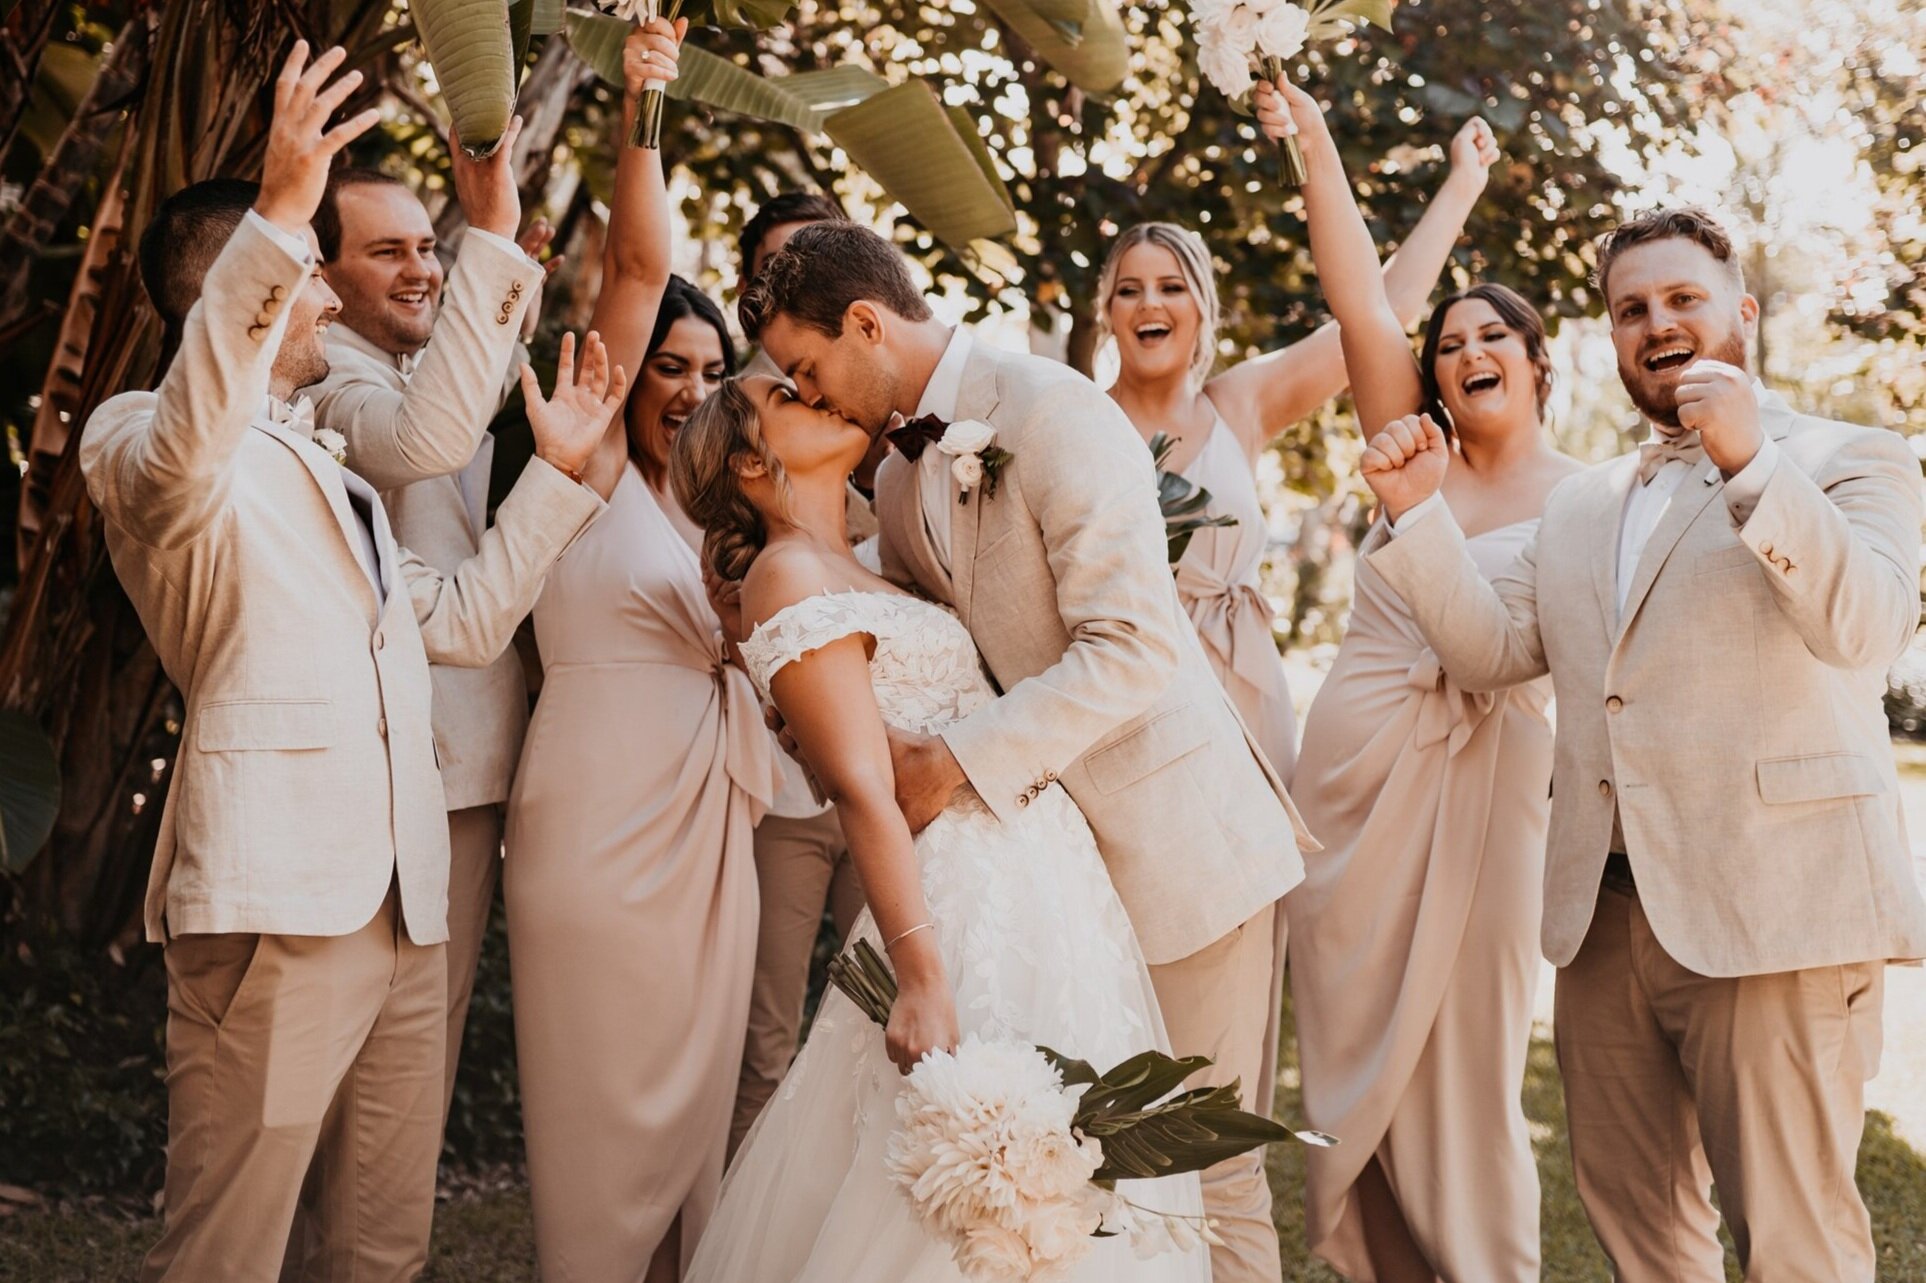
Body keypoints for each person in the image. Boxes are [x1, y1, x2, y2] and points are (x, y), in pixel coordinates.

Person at [78, 43, 620, 1280]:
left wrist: (556, 474)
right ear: (245, 288)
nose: (327, 297)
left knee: (384, 1238)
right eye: (308, 273)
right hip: (278, 894)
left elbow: (463, 623)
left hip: (403, 897)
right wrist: (281, 211)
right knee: (228, 1243)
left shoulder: (331, 468)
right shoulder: (142, 443)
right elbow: (195, 428)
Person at [1355, 205, 1926, 1282]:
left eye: (1682, 299)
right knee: (1642, 1238)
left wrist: (1752, 462)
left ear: (1742, 313)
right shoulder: (1584, 503)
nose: (1657, 323)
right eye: (1631, 309)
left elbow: (1868, 624)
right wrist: (1417, 515)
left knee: (1796, 1244)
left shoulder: (1851, 457)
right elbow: (1492, 652)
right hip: (1605, 923)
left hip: (1777, 914)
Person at [743, 220, 1318, 1283]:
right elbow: (917, 636)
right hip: (1052, 877)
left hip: (1174, 842)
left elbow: (1134, 646)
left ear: (866, 323)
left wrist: (951, 760)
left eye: (809, 368)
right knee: (1094, 1181)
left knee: (1205, 1170)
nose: (809, 394)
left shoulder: (1053, 408)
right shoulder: (900, 475)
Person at [671, 374, 1209, 1283]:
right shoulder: (786, 575)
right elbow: (861, 792)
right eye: (790, 396)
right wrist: (920, 976)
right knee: (969, 1179)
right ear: (751, 463)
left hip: (1046, 877)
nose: (821, 394)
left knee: (1072, 1170)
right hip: (958, 901)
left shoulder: (868, 564)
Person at [1252, 80, 1579, 1281]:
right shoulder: (1415, 443)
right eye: (1448, 343)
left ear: (1537, 362)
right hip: (1353, 774)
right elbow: (1357, 295)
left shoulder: (1588, 496)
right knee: (1348, 1043)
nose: (1468, 351)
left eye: (1494, 336)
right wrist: (1318, 139)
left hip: (1495, 783)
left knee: (1475, 1044)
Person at [501, 21, 780, 1281]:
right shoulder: (594, 461)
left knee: (699, 1114)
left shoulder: (730, 513)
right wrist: (645, 106)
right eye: (668, 364)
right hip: (595, 818)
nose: (690, 389)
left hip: (710, 827)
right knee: (599, 1112)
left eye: (713, 370)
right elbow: (636, 258)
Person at [1096, 115, 1498, 782]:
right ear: (1107, 312)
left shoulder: (1240, 404)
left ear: (1202, 307)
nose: (1148, 305)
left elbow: (1381, 311)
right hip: (1127, 692)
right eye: (1129, 291)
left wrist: (1463, 184)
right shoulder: (1081, 418)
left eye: (1171, 287)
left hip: (1242, 693)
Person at [300, 126, 549, 1138]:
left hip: (464, 750)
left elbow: (477, 383)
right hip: (391, 756)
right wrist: (492, 231)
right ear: (320, 272)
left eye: (428, 246)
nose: (421, 269)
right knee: (373, 1054)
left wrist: (502, 266)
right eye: (386, 251)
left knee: (421, 1043)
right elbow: (425, 439)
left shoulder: (419, 361)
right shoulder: (327, 376)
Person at [724, 187, 872, 1154]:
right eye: (778, 271)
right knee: (768, 1034)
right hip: (784, 784)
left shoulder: (877, 415)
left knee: (876, 1022)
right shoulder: (747, 415)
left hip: (901, 779)